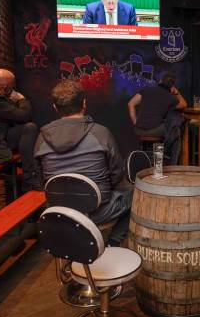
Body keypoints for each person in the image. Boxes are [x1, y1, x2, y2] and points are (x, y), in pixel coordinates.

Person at [34, 80, 130, 247]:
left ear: (55, 108)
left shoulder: (41, 138)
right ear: (84, 104)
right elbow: (117, 173)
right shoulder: (100, 132)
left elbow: (41, 179)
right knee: (136, 194)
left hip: (60, 213)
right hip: (99, 211)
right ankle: (113, 243)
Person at [128, 73, 187, 164]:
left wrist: (135, 121)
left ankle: (153, 157)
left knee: (169, 124)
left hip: (138, 129)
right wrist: (177, 92)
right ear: (172, 86)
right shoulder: (170, 97)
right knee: (176, 132)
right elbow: (184, 104)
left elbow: (131, 103)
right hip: (155, 130)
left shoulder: (146, 90)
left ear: (160, 81)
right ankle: (171, 163)